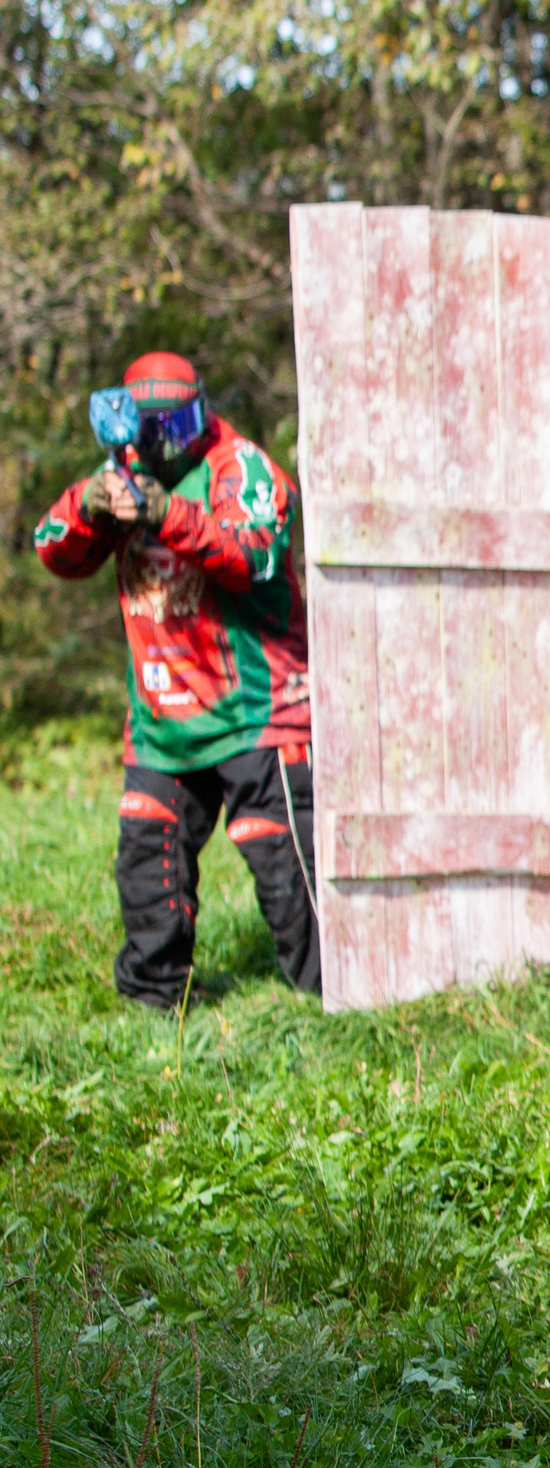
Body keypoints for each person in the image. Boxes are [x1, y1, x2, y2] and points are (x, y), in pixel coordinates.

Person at [34, 353, 321, 1005]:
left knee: (291, 882)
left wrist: (165, 514)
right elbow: (52, 546)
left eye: (187, 420)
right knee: (146, 875)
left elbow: (253, 553)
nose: (176, 439)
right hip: (164, 726)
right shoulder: (123, 475)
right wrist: (90, 507)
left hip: (257, 714)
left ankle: (332, 1012)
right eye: (160, 426)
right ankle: (155, 1020)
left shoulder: (239, 466)